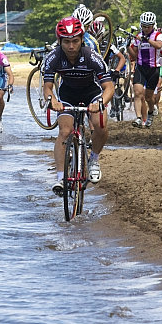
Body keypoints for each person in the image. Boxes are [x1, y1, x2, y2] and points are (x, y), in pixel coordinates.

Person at [43, 17, 114, 194]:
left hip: (92, 92)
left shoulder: (91, 56)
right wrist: (52, 101)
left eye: (75, 41)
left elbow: (109, 87)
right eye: (66, 42)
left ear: (82, 39)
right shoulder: (53, 57)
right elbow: (48, 87)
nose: (71, 46)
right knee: (64, 132)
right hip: (68, 93)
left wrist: (100, 103)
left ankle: (94, 160)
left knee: (100, 125)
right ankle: (61, 179)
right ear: (59, 41)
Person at [128, 11, 162, 128]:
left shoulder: (158, 35)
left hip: (153, 69)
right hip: (141, 68)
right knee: (138, 93)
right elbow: (133, 55)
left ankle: (150, 113)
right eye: (143, 26)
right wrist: (128, 46)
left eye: (148, 27)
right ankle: (138, 118)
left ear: (153, 25)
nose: (145, 29)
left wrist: (146, 39)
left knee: (149, 97)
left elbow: (159, 46)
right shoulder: (138, 37)